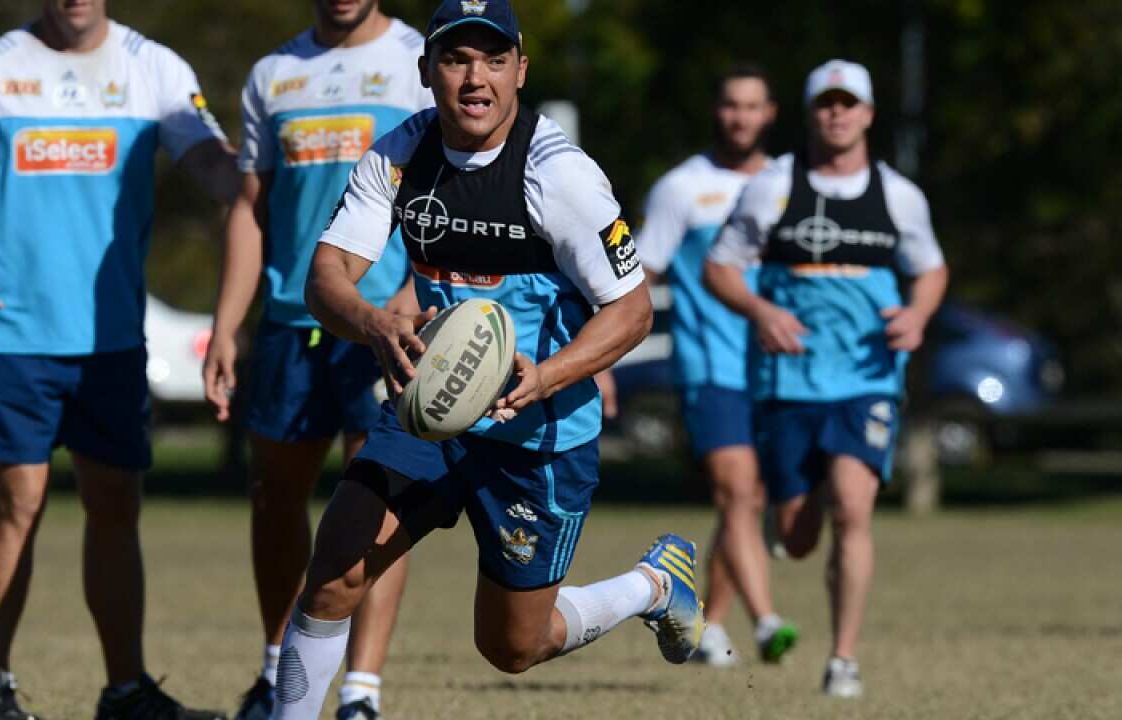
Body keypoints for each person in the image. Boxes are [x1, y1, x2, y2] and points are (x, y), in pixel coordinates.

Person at [264, 2, 705, 717]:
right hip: (432, 411)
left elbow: (632, 311)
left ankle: (652, 586)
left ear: (520, 71)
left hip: (539, 436)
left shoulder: (559, 175)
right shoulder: (399, 155)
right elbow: (325, 277)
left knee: (513, 646)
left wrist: (547, 376)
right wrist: (374, 323)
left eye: (495, 61)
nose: (476, 79)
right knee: (334, 571)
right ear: (426, 71)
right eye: (457, 60)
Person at [0, 1, 239, 718]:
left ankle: (125, 691)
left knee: (116, 505)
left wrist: (262, 172)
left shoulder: (153, 68)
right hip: (10, 334)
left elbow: (218, 170)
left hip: (111, 340)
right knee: (18, 503)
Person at [200, 2, 432, 718]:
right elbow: (251, 207)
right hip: (290, 320)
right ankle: (279, 674)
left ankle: (361, 690)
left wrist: (411, 292)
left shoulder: (417, 60)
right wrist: (225, 324)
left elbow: (446, 188)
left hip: (385, 322)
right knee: (274, 497)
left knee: (379, 500)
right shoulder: (273, 73)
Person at [705, 59, 948, 698]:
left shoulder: (897, 195)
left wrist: (917, 316)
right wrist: (761, 311)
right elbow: (720, 268)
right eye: (826, 103)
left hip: (867, 379)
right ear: (811, 113)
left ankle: (843, 659)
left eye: (849, 103)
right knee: (797, 537)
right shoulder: (773, 188)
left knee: (852, 506)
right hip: (788, 382)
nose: (837, 114)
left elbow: (931, 269)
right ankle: (783, 525)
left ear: (867, 114)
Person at [633, 63, 798, 667]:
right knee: (736, 490)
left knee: (750, 503)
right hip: (709, 364)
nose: (740, 117)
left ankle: (707, 625)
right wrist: (598, 359)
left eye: (752, 106)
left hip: (777, 371)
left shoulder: (790, 184)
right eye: (731, 105)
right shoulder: (681, 188)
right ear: (716, 110)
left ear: (770, 113)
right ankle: (767, 622)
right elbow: (639, 277)